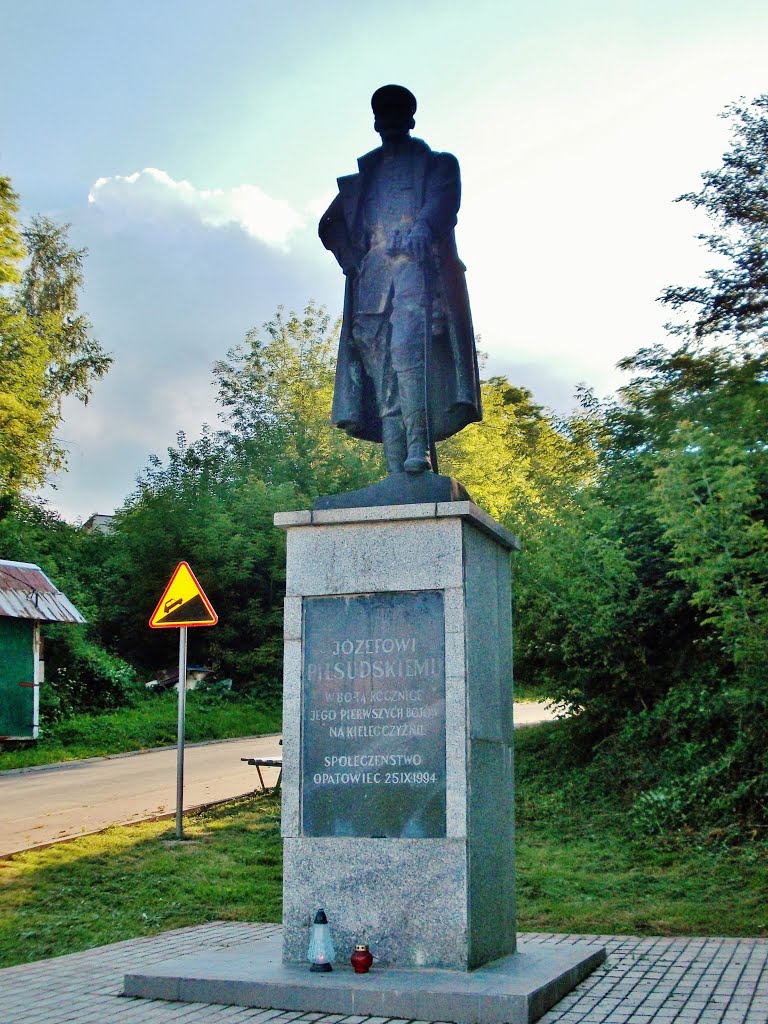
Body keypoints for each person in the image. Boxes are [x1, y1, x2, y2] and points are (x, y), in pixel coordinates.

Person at [319, 84, 482, 475]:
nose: (387, 122)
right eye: (381, 115)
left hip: (417, 275)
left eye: (395, 113)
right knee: (382, 373)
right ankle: (396, 467)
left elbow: (442, 204)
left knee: (409, 355)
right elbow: (329, 224)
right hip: (371, 287)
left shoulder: (438, 164)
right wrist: (351, 258)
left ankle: (418, 450)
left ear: (410, 118)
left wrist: (421, 228)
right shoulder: (364, 176)